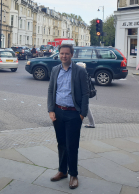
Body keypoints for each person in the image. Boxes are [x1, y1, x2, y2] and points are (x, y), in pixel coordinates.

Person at [47, 44, 89, 190]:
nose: (64, 56)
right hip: (58, 112)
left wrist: (82, 114)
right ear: (59, 54)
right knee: (61, 144)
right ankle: (62, 171)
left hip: (73, 113)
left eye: (67, 53)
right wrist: (50, 110)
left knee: (72, 145)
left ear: (72, 55)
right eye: (61, 53)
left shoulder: (79, 71)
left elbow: (85, 93)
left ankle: (74, 175)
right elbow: (51, 90)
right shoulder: (55, 70)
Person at [76, 62, 95, 128]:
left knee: (86, 109)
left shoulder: (82, 75)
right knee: (85, 108)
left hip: (82, 95)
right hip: (83, 95)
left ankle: (92, 123)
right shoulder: (85, 74)